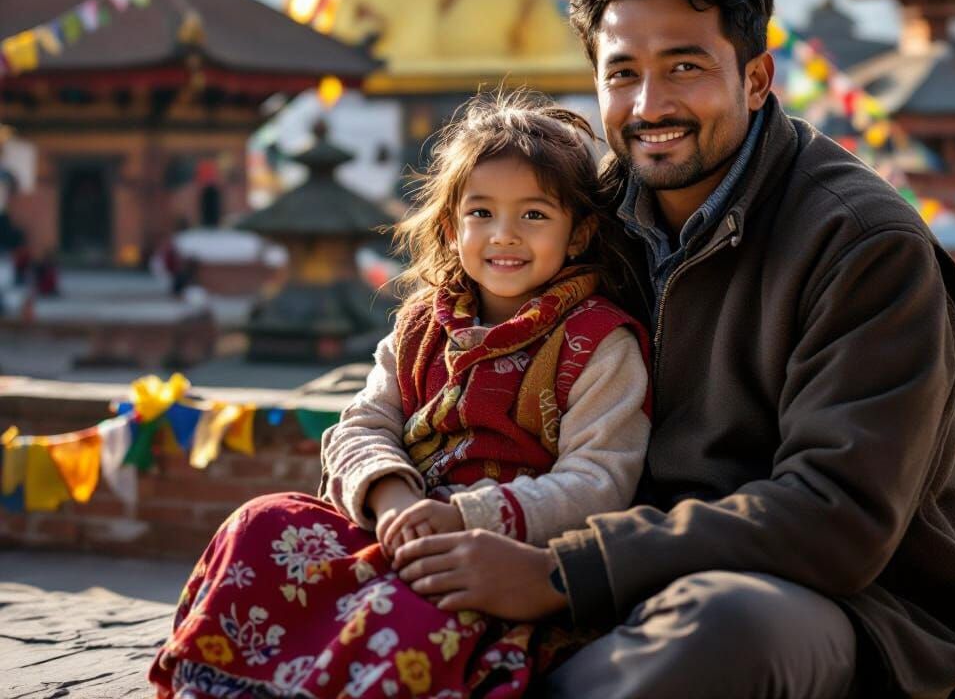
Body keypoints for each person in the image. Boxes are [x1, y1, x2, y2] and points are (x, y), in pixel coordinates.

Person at [390, 0, 955, 699]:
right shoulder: (583, 221)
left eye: (684, 67)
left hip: (830, 603)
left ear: (755, 78)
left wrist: (564, 575)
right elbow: (442, 364)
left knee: (719, 630)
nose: (651, 105)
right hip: (583, 566)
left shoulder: (863, 244)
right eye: (623, 74)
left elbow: (837, 519)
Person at [149, 93, 650, 698]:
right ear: (450, 226)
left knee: (399, 611)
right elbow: (364, 421)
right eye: (482, 213)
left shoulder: (600, 343)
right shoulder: (420, 325)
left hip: (497, 556)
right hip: (397, 525)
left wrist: (463, 517)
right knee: (260, 522)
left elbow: (600, 482)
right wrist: (389, 497)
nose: (504, 236)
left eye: (535, 216)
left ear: (579, 234)